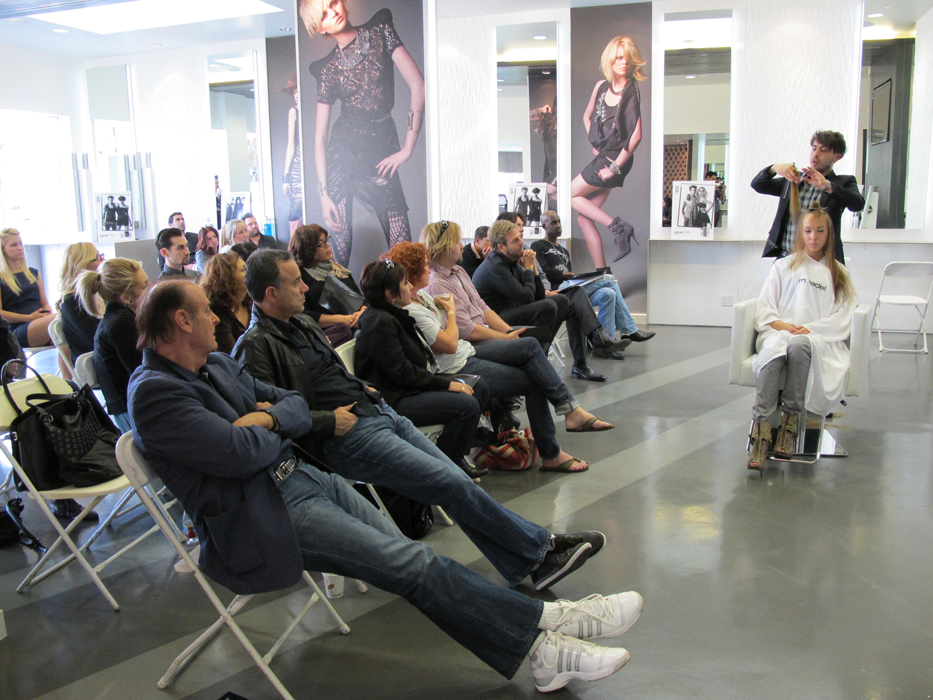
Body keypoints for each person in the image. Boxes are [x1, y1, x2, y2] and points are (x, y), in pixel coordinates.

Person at [129, 279, 643, 692]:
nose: (218, 318)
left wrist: (267, 418)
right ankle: (543, 638)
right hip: (261, 515)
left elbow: (289, 403)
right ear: (182, 321)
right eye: (207, 311)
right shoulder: (155, 394)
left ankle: (546, 620)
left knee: (412, 558)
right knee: (412, 563)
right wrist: (273, 424)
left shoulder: (216, 364)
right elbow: (241, 452)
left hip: (303, 478)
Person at [233, 249, 604, 591]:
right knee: (449, 482)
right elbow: (269, 418)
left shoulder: (301, 323)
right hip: (346, 436)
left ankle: (533, 556)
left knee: (456, 479)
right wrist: (328, 421)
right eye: (295, 282)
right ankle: (539, 555)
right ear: (271, 293)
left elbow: (332, 375)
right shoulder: (255, 347)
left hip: (376, 412)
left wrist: (362, 388)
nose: (305, 287)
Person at [388, 241, 614, 473]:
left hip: (468, 350)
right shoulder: (420, 301)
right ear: (413, 271)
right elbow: (454, 340)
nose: (429, 268)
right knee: (535, 370)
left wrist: (505, 332)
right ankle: (559, 437)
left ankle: (566, 419)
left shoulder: (425, 295)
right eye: (424, 265)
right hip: (458, 361)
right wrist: (454, 314)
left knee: (531, 344)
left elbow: (484, 310)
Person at [299, 0, 425, 266]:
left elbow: (418, 85)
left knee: (404, 253)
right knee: (338, 252)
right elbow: (320, 137)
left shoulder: (380, 29)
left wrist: (407, 149)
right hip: (342, 154)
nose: (333, 12)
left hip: (381, 148)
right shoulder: (328, 68)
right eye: (324, 15)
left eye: (333, 3)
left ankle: (398, 295)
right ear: (320, 29)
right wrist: (323, 193)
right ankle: (337, 296)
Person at [746, 205, 856, 472]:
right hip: (779, 332)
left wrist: (810, 329)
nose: (813, 237)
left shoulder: (838, 272)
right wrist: (783, 326)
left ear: (829, 234)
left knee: (799, 344)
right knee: (775, 350)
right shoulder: (783, 266)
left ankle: (789, 429)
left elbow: (843, 316)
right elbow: (765, 308)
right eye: (808, 231)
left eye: (820, 231)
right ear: (800, 233)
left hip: (816, 338)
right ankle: (761, 437)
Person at [355, 259, 489, 479]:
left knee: (478, 387)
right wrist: (446, 384)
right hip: (394, 398)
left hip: (410, 386)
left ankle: (456, 456)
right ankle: (445, 472)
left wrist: (445, 383)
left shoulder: (392, 315)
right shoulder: (379, 322)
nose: (410, 287)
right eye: (405, 283)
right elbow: (402, 374)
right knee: (466, 406)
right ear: (390, 294)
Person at [472, 220, 621, 382]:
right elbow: (528, 297)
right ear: (501, 247)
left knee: (574, 295)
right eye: (515, 240)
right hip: (496, 319)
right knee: (549, 305)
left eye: (520, 237)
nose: (521, 242)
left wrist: (533, 269)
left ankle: (583, 360)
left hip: (513, 310)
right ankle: (540, 358)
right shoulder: (496, 267)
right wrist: (529, 268)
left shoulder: (512, 258)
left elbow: (536, 294)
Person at [532, 212, 654, 357]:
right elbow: (543, 272)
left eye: (559, 221)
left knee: (609, 294)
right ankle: (629, 329)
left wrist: (572, 276)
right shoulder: (537, 245)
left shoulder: (564, 251)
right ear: (543, 226)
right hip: (557, 291)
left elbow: (568, 276)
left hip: (572, 289)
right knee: (608, 279)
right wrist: (565, 274)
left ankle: (606, 345)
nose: (558, 225)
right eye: (553, 222)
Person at [570, 36, 645, 267]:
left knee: (569, 194)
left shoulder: (631, 90)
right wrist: (595, 140)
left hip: (617, 159)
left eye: (628, 59)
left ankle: (618, 227)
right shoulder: (601, 86)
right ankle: (603, 274)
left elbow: (636, 135)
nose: (624, 63)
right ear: (610, 60)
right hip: (606, 155)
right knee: (585, 220)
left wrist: (614, 168)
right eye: (619, 58)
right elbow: (587, 117)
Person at [751, 130, 864, 264]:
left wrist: (827, 186)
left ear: (836, 157)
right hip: (786, 257)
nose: (816, 154)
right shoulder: (793, 180)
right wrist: (774, 168)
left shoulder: (843, 182)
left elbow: (858, 204)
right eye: (814, 148)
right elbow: (758, 185)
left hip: (822, 261)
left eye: (824, 150)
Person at [76, 257, 149, 433]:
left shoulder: (124, 318)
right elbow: (142, 370)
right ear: (126, 298)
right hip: (132, 408)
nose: (150, 289)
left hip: (137, 401)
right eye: (144, 286)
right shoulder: (120, 325)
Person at [288, 224, 364, 348]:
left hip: (356, 322)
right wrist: (342, 319)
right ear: (308, 249)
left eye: (326, 240)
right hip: (333, 333)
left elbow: (360, 299)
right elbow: (301, 315)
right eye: (321, 243)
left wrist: (363, 311)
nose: (328, 244)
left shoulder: (338, 269)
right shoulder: (300, 276)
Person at [0, 228, 57, 350]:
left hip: (38, 321)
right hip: (16, 329)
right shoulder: (1, 278)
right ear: (3, 249)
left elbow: (45, 303)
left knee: (66, 323)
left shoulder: (33, 273)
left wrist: (47, 311)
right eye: (14, 245)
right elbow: (0, 313)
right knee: (64, 317)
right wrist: (29, 318)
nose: (20, 248)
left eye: (20, 243)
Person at [56, 242, 104, 362]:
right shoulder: (73, 301)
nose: (104, 260)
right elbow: (95, 341)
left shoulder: (100, 293)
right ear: (81, 265)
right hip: (98, 361)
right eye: (97, 258)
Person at [200, 252, 251, 354]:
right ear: (226, 279)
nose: (250, 273)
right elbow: (231, 355)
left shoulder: (251, 302)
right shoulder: (217, 313)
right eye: (243, 270)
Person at [280, 77, 304, 237]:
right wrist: (286, 178)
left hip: (314, 164)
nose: (296, 95)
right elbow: (291, 144)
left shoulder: (317, 109)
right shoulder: (294, 111)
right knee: (296, 212)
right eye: (294, 92)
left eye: (298, 91)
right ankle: (295, 248)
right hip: (298, 169)